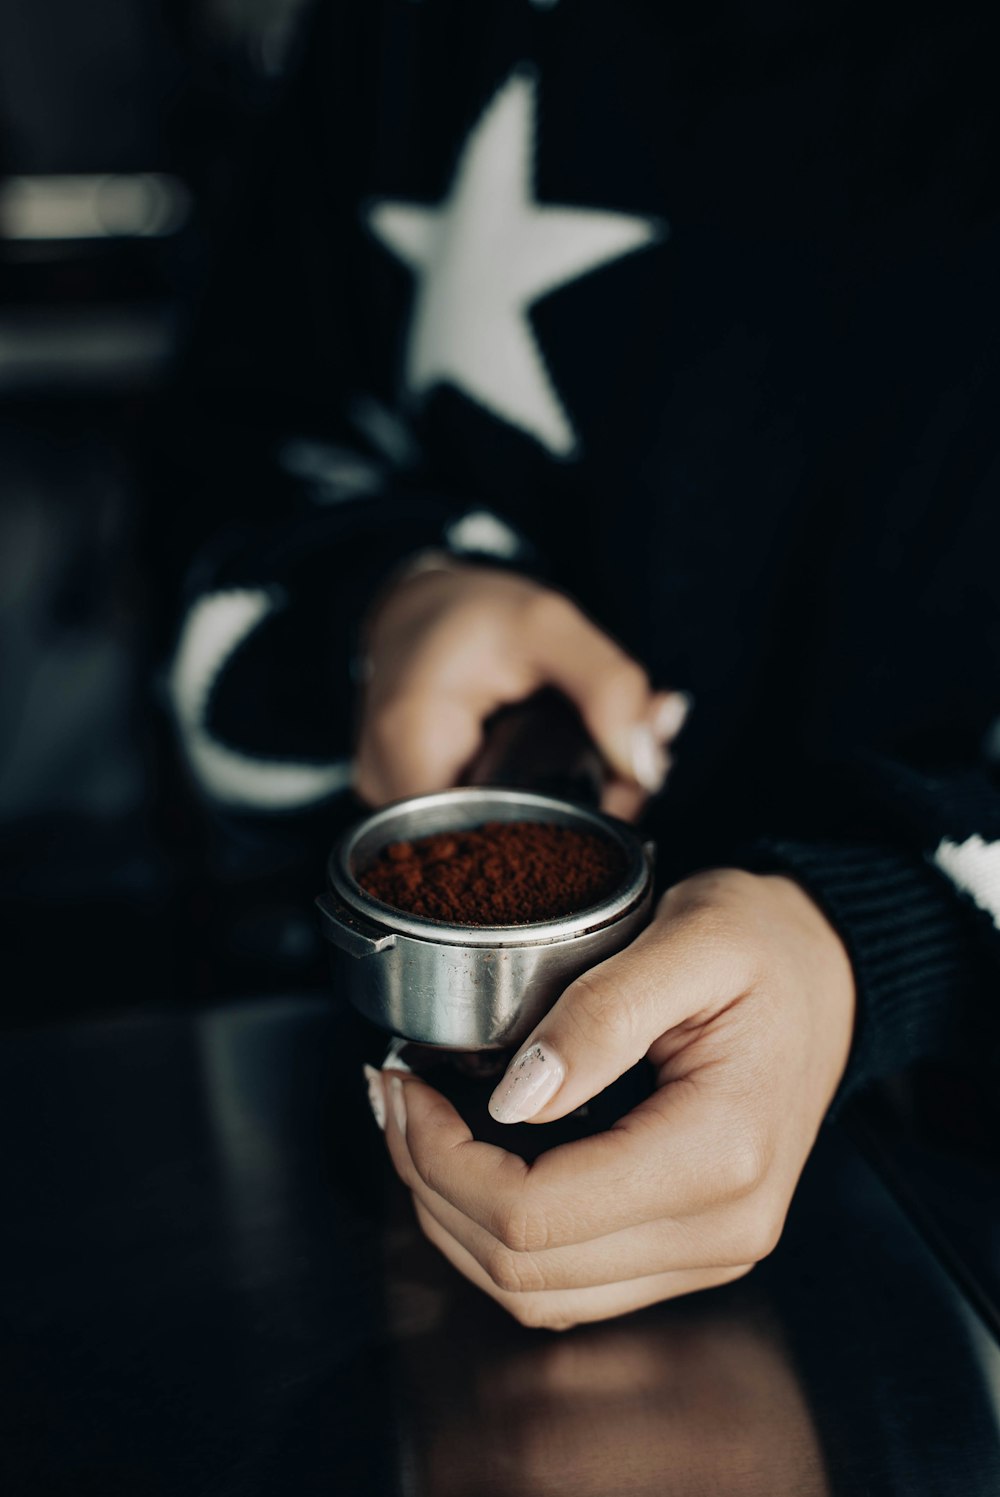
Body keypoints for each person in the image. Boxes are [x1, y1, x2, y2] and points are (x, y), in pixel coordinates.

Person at [163, 0, 1000, 1328]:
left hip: (954, 1222)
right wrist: (383, 605)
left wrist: (885, 938)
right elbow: (214, 471)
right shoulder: (405, 39)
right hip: (376, 1174)